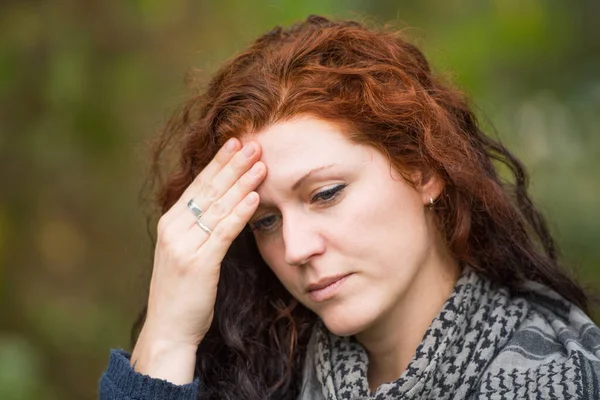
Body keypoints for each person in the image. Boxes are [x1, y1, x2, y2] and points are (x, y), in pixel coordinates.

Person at [98, 15, 600, 399]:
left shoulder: (554, 378)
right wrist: (167, 338)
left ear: (423, 170)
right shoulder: (259, 374)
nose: (295, 248)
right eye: (265, 221)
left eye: (325, 194)